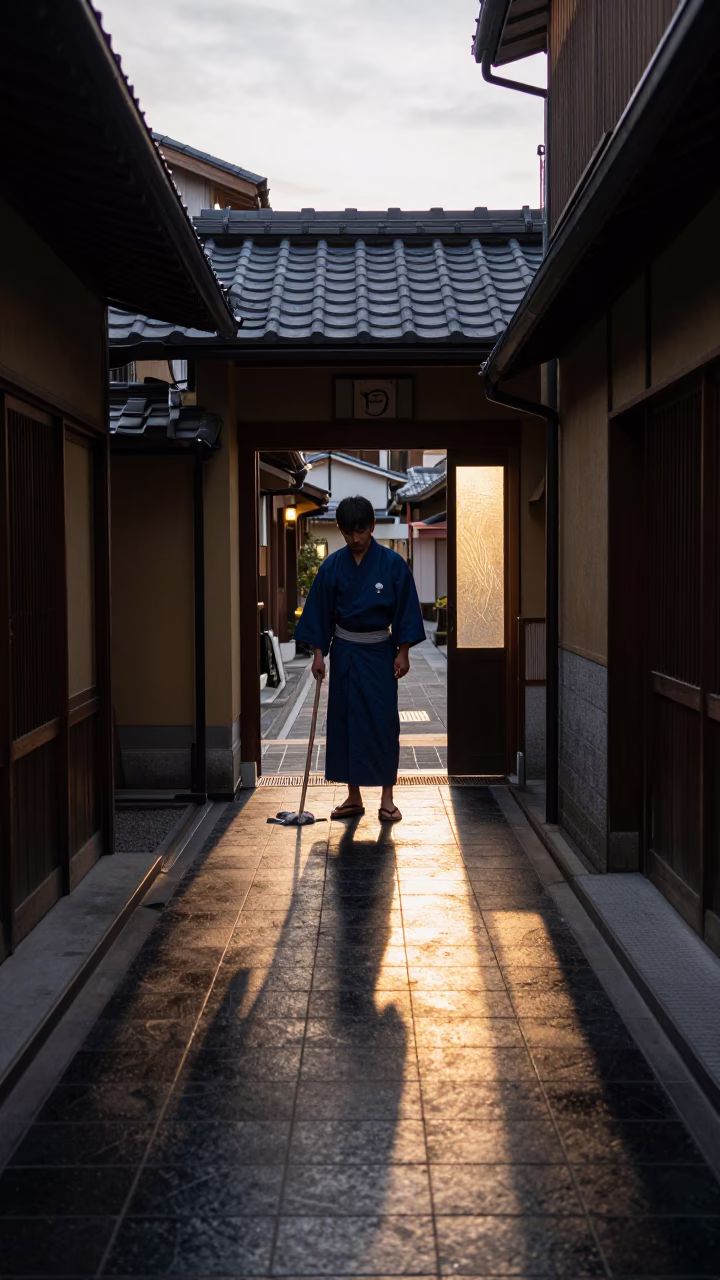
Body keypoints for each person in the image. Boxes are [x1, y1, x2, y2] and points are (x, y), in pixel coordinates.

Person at [294, 495, 426, 822]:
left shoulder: (393, 564)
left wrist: (403, 651)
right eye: (348, 532)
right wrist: (319, 655)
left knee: (382, 723)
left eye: (361, 531)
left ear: (372, 527)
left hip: (380, 653)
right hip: (346, 653)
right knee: (346, 723)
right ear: (340, 530)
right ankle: (353, 796)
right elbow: (320, 613)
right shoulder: (332, 567)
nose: (355, 539)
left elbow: (405, 610)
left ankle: (387, 798)